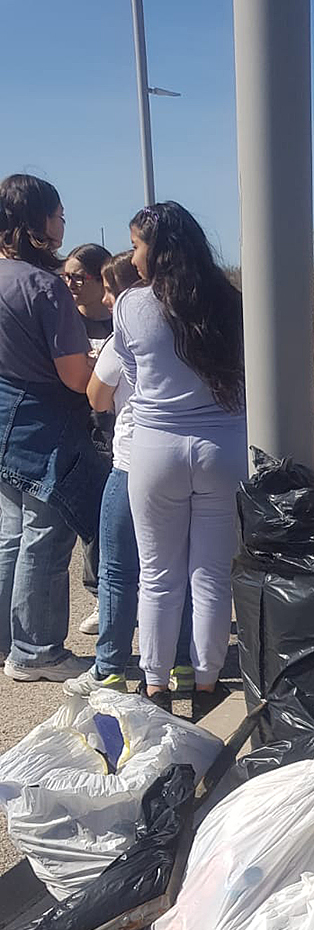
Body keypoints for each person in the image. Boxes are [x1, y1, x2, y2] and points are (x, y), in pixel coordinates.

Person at [115, 201, 246, 711]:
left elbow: (131, 373)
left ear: (159, 250)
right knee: (211, 573)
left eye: (137, 245)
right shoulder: (233, 303)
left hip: (155, 450)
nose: (133, 256)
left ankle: (156, 681)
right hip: (222, 448)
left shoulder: (131, 305)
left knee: (158, 573)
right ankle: (208, 681)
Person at [64, 251, 195, 697]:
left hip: (133, 460)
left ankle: (110, 667)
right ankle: (185, 663)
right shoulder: (192, 327)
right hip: (185, 459)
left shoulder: (128, 332)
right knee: (179, 566)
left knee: (119, 568)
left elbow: (97, 397)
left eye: (107, 287)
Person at [0, 174, 102, 681]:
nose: (64, 223)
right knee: (46, 535)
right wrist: (101, 363)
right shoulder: (45, 287)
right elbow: (75, 376)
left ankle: (8, 639)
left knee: (12, 534)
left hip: (4, 421)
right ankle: (36, 652)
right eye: (59, 214)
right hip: (45, 426)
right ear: (37, 223)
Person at [64, 242, 115, 636]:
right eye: (66, 277)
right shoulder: (64, 321)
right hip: (79, 431)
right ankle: (99, 595)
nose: (71, 284)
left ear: (101, 279)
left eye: (78, 277)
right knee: (92, 522)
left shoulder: (120, 320)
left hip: (117, 429)